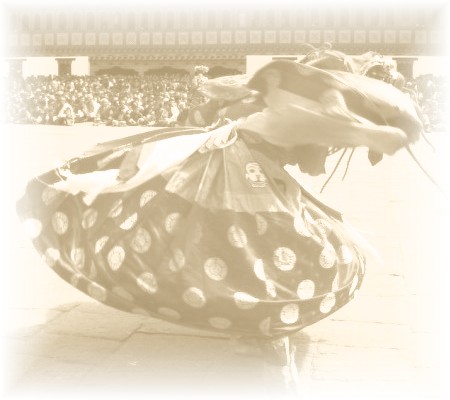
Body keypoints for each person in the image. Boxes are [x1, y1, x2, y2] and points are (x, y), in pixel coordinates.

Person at [16, 56, 422, 395]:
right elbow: (346, 137)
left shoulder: (296, 102)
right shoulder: (305, 111)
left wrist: (374, 129)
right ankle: (260, 326)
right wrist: (385, 132)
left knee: (246, 242)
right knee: (265, 245)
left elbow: (320, 134)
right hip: (235, 169)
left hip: (239, 162)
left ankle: (251, 319)